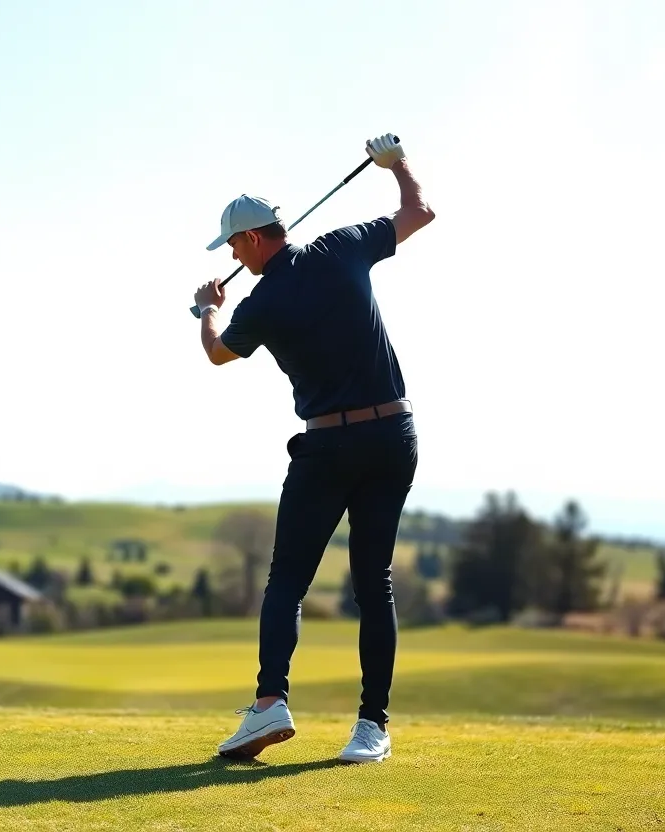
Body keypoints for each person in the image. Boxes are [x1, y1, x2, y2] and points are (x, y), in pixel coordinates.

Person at [192, 133, 435, 764]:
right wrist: (397, 166)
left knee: (287, 582)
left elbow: (218, 354)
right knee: (372, 582)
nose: (235, 254)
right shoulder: (341, 246)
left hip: (330, 446)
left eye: (234, 245)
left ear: (248, 242)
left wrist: (205, 309)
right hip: (393, 435)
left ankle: (270, 705)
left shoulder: (261, 301)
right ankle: (371, 728)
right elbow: (419, 212)